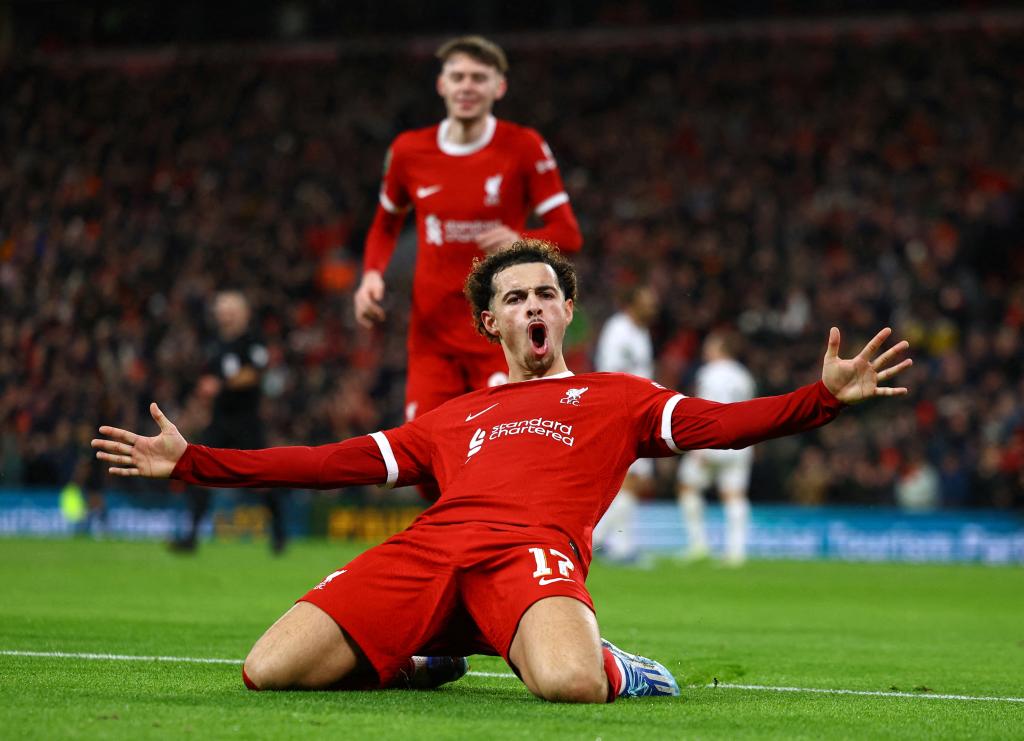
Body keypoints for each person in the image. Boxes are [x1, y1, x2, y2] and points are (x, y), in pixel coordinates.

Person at [93, 240, 912, 703]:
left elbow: (723, 426)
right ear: (492, 322)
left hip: (529, 555)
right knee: (267, 669)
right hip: (431, 550)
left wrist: (819, 399)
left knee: (569, 683)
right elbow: (329, 461)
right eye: (515, 298)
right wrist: (194, 462)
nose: (532, 306)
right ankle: (428, 658)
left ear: (566, 311)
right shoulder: (455, 416)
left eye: (545, 294)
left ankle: (623, 666)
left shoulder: (617, 396)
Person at [354, 35, 582, 429]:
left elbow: (569, 235)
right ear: (441, 84)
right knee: (426, 450)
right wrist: (371, 274)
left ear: (499, 86)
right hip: (431, 339)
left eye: (479, 77)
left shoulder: (523, 147)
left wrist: (521, 240)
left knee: (503, 444)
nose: (467, 86)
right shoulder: (409, 151)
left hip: (499, 334)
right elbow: (385, 223)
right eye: (458, 77)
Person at [169, 291, 287, 554]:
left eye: (230, 310)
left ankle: (279, 534)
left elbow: (253, 374)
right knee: (198, 469)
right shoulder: (215, 344)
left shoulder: (253, 341)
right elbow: (208, 380)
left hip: (247, 421)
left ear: (244, 313)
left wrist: (220, 385)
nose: (225, 315)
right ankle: (191, 536)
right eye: (222, 310)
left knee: (264, 477)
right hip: (220, 420)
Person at [591, 284, 659, 563]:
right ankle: (604, 543)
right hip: (621, 410)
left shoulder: (641, 332)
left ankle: (614, 544)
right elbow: (609, 373)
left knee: (634, 482)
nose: (653, 306)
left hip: (640, 411)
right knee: (628, 480)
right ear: (633, 302)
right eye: (647, 300)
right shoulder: (618, 329)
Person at [676, 331, 757, 565]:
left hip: (713, 440)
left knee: (687, 486)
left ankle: (698, 544)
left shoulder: (709, 373)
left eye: (711, 345)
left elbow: (704, 408)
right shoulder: (744, 376)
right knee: (734, 495)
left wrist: (697, 445)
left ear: (721, 348)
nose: (706, 349)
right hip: (741, 441)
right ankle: (736, 553)